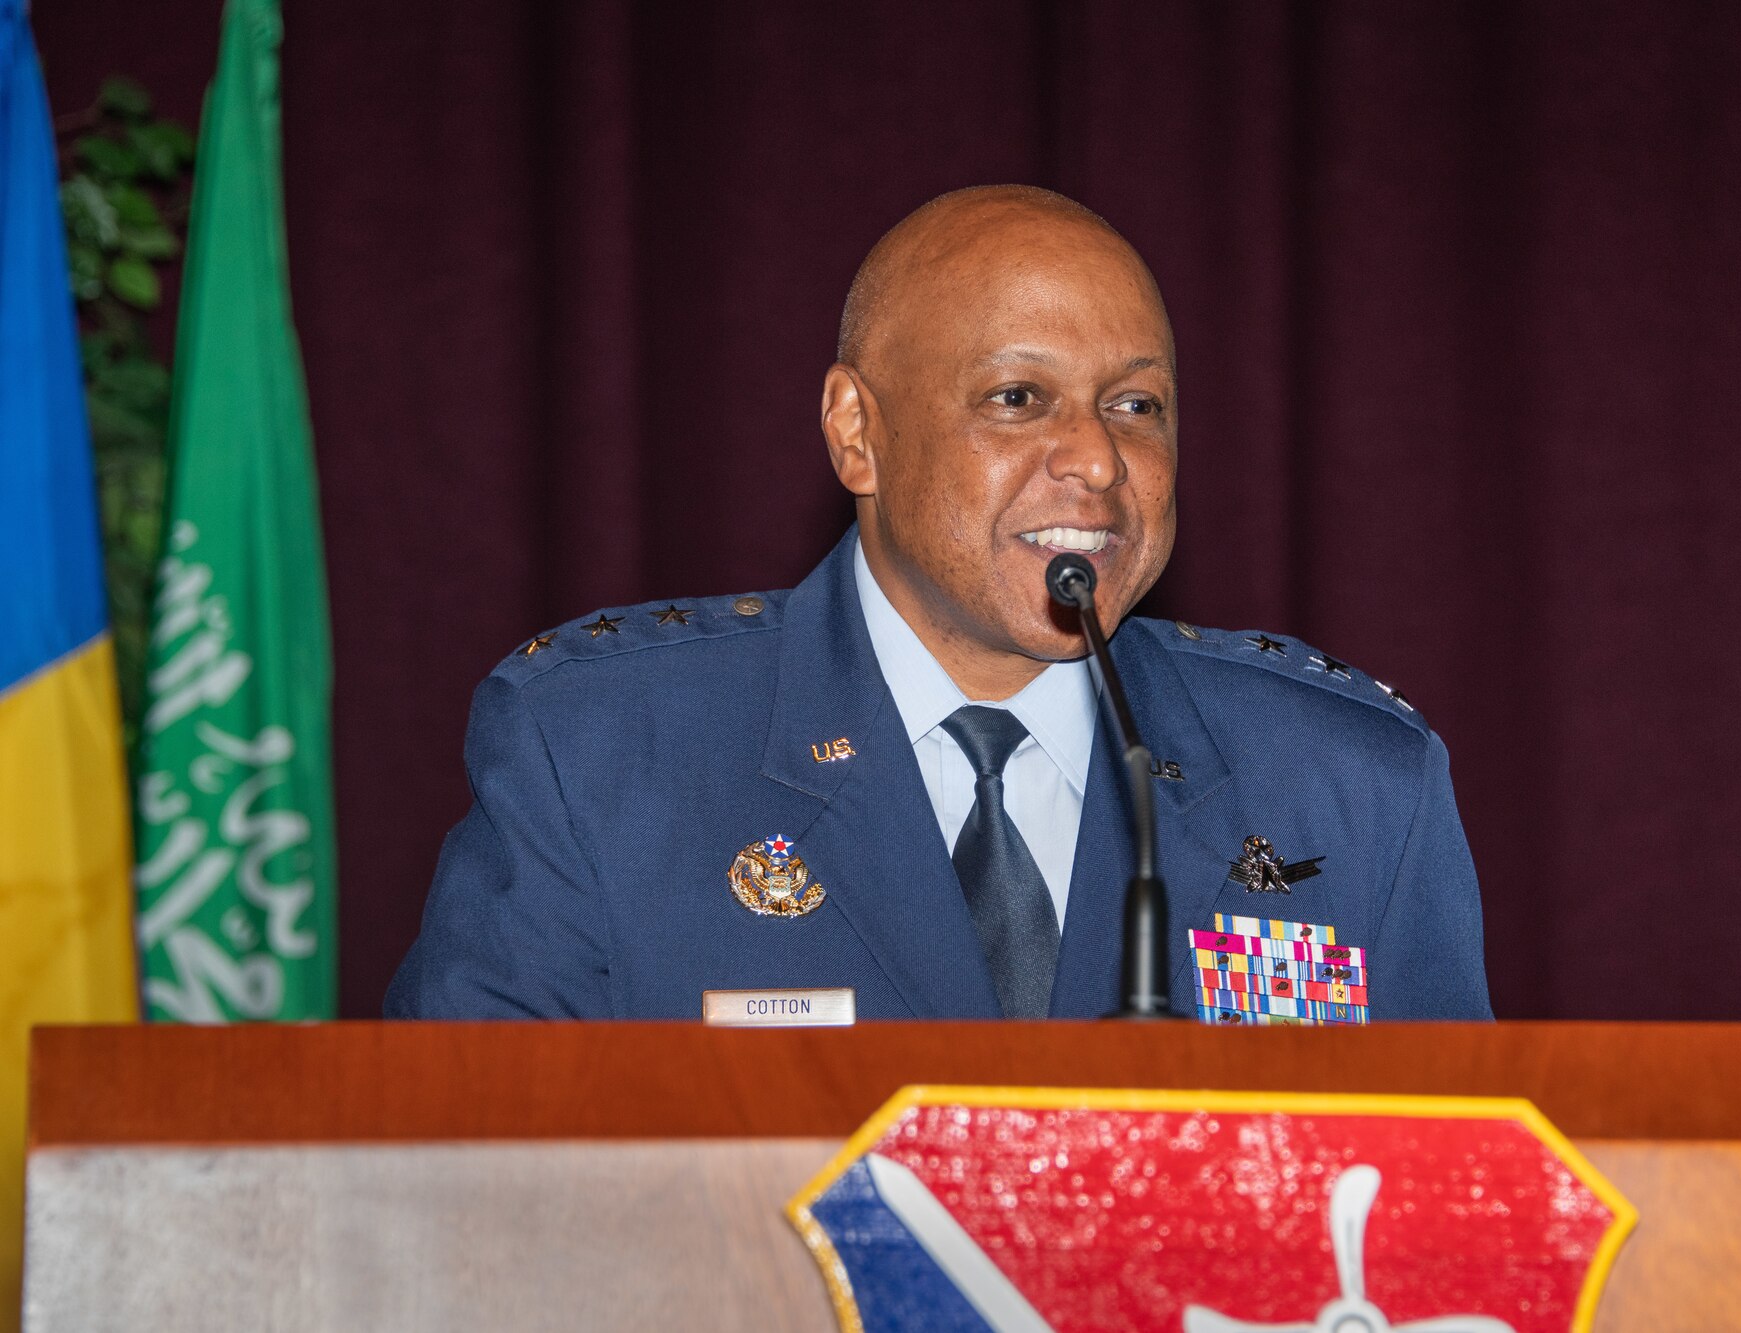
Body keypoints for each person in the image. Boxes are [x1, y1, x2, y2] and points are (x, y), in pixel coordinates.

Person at [386, 186, 1492, 1022]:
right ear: (855, 431)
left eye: (1135, 404)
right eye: (1018, 400)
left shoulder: (1351, 789)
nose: (1097, 462)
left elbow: (1455, 1239)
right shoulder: (600, 754)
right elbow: (462, 1207)